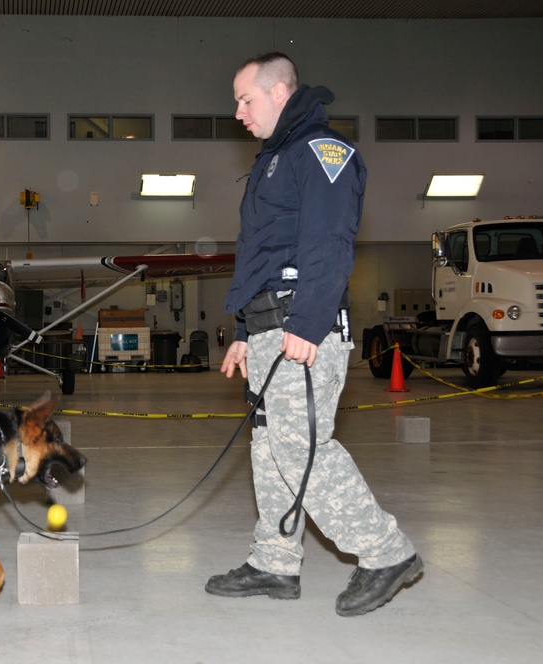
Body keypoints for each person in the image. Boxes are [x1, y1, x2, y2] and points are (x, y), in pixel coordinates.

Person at [206, 52, 422, 617]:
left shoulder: (322, 153)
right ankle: (275, 562)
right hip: (268, 328)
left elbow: (329, 244)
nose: (238, 113)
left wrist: (307, 323)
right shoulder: (273, 161)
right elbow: (260, 256)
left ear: (279, 92)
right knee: (269, 446)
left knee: (301, 448)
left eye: (245, 99)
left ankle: (386, 551)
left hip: (301, 328)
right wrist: (242, 331)